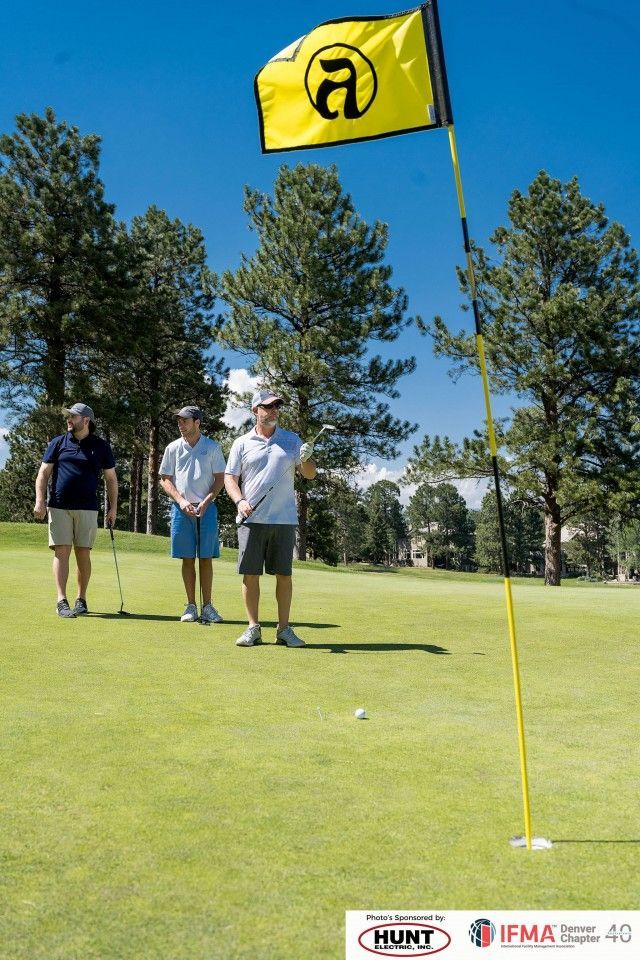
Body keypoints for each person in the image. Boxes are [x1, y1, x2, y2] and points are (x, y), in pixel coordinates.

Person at [224, 389, 317, 648]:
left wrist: (307, 458)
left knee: (284, 576)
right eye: (268, 406)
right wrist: (239, 501)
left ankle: (284, 630)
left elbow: (309, 474)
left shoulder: (291, 440)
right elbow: (230, 478)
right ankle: (253, 628)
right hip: (252, 518)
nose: (274, 410)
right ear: (255, 410)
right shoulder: (241, 443)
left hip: (284, 519)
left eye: (277, 406)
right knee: (250, 575)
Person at [33, 403, 118, 618]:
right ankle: (61, 600)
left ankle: (82, 599)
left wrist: (113, 508)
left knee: (83, 554)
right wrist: (40, 500)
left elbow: (111, 479)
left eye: (73, 416)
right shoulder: (58, 443)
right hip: (59, 506)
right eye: (68, 416)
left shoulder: (101, 446)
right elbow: (43, 474)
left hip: (88, 508)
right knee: (61, 552)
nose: (69, 420)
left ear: (86, 420)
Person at [159, 405, 226, 623]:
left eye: (185, 420)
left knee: (205, 558)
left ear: (197, 422)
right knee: (187, 559)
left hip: (206, 508)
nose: (180, 424)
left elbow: (220, 479)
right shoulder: (173, 448)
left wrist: (207, 502)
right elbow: (165, 479)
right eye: (179, 420)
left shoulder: (212, 447)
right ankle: (191, 606)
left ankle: (208, 606)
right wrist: (181, 500)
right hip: (181, 508)